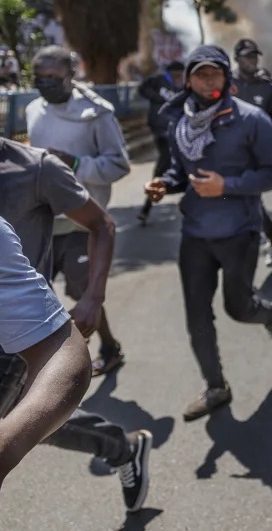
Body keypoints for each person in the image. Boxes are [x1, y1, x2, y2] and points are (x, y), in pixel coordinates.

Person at [0, 137, 153, 511]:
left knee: (20, 417)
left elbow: (101, 224)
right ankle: (124, 447)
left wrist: (93, 299)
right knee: (25, 417)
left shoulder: (37, 167)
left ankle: (121, 447)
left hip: (23, 328)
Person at [144, 45, 272, 421]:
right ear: (188, 79)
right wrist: (165, 182)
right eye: (200, 74)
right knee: (196, 314)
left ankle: (271, 316)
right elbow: (182, 171)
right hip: (195, 232)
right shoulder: (181, 121)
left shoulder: (251, 119)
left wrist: (226, 184)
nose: (208, 81)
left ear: (227, 77)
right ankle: (216, 387)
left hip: (239, 231)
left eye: (215, 73)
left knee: (238, 308)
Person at [28, 45, 130, 377]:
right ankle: (44, 362)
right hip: (42, 219)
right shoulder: (32, 110)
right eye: (38, 77)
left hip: (82, 220)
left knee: (82, 292)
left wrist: (72, 163)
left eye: (52, 77)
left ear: (71, 75)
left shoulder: (97, 113)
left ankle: (109, 347)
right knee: (36, 291)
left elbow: (118, 165)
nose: (44, 83)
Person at [0, 216, 94, 490]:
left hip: (19, 335)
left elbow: (58, 345)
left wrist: (94, 296)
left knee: (30, 418)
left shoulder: (41, 171)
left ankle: (120, 447)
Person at [230, 39, 272, 266]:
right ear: (237, 59)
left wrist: (267, 134)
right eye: (247, 57)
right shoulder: (226, 83)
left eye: (255, 56)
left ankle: (244, 263)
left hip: (254, 155)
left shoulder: (267, 87)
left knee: (245, 197)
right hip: (227, 152)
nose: (252, 61)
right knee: (244, 198)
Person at [136, 60, 185, 225]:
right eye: (175, 75)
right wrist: (157, 98)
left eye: (180, 75)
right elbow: (142, 89)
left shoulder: (186, 86)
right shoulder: (158, 81)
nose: (178, 78)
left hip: (180, 132)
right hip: (161, 131)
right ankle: (147, 206)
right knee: (164, 163)